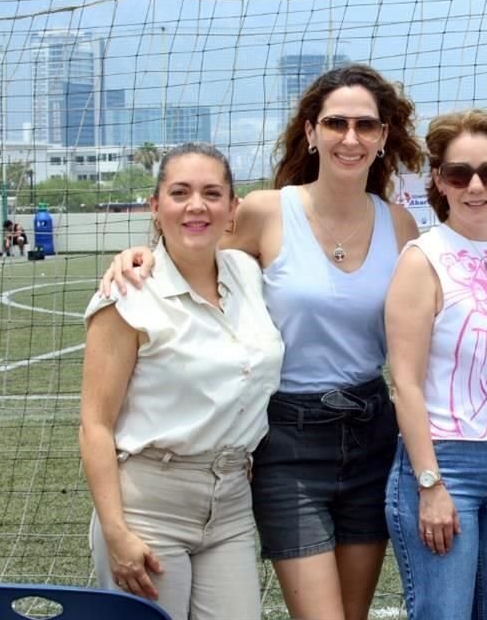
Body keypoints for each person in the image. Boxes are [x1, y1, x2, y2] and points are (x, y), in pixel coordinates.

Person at [100, 64, 425, 620]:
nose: (351, 137)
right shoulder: (266, 210)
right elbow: (192, 242)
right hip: (290, 441)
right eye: (336, 123)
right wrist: (141, 255)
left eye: (366, 126)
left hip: (372, 434)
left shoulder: (400, 225)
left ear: (383, 137)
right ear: (310, 133)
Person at [79, 142, 284, 620]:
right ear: (155, 206)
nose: (197, 205)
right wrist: (116, 531)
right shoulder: (127, 295)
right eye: (180, 192)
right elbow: (94, 425)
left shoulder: (249, 273)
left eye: (213, 193)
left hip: (231, 504)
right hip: (148, 508)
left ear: (233, 208)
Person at [385, 110, 487, 619]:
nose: (476, 186)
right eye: (459, 174)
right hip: (446, 460)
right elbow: (405, 384)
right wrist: (430, 484)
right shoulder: (421, 258)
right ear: (440, 181)